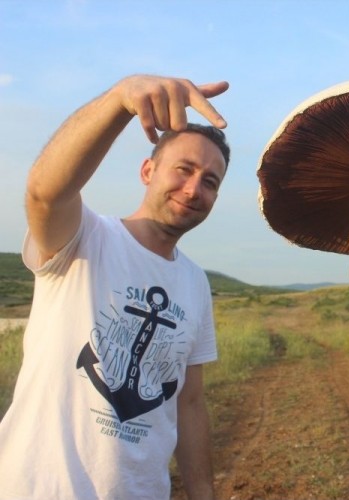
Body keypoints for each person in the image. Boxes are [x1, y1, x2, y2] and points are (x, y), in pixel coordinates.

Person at [0, 74, 230, 499]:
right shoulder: (84, 238)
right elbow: (44, 194)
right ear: (148, 170)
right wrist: (119, 100)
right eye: (184, 169)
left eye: (211, 181)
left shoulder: (195, 282)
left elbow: (189, 402)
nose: (194, 189)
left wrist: (203, 493)